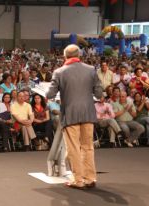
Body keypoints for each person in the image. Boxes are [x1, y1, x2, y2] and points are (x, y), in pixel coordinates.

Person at [46, 44, 103, 189]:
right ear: (79, 55)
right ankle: (90, 178)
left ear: (65, 56)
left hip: (70, 113)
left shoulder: (59, 72)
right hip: (88, 112)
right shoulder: (91, 70)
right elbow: (98, 94)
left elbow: (50, 94)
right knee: (88, 147)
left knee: (73, 148)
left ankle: (78, 180)